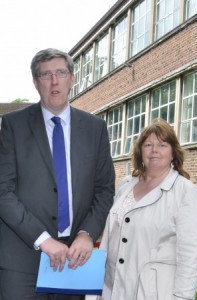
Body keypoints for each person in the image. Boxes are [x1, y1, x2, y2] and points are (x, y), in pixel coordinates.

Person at [0, 48, 115, 300]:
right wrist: (43, 239)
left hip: (75, 257)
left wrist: (87, 234)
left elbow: (105, 189)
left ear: (72, 78)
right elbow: (3, 192)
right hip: (22, 261)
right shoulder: (12, 126)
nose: (54, 81)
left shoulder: (95, 128)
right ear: (35, 82)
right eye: (45, 74)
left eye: (61, 73)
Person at [88, 118, 197, 300]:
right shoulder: (126, 185)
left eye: (162, 145)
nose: (154, 151)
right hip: (110, 288)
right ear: (140, 151)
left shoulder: (186, 192)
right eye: (148, 145)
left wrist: (183, 297)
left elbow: (191, 256)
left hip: (149, 292)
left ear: (173, 152)